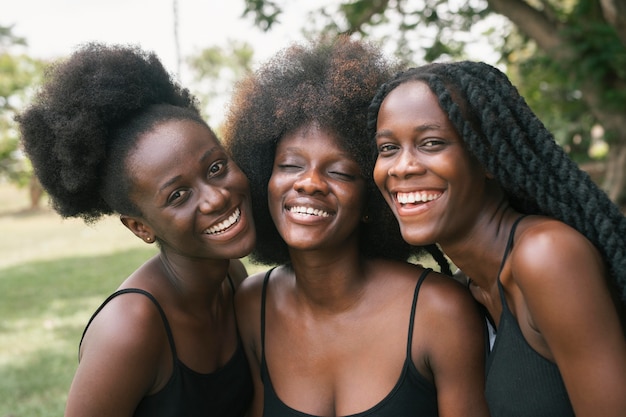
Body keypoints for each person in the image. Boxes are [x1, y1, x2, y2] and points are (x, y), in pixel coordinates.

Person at [222, 36, 490, 417]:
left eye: (340, 172)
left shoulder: (438, 310)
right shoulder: (253, 305)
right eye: (289, 166)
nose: (309, 182)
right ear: (263, 176)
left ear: (370, 201)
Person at [368, 61, 626, 417]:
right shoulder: (465, 292)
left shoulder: (546, 256)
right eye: (388, 148)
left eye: (431, 143)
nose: (402, 167)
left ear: (487, 155)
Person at [16, 43, 256, 417]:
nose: (215, 199)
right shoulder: (129, 329)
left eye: (215, 168)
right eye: (178, 195)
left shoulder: (231, 278)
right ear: (140, 227)